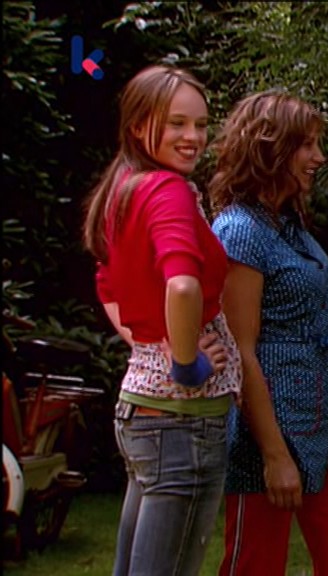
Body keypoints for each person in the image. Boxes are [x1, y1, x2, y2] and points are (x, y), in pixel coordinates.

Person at [82, 64, 242, 576]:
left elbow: (107, 287)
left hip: (143, 413)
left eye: (200, 124)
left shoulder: (123, 188)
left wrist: (151, 343)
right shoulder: (167, 190)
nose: (193, 136)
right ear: (138, 125)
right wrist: (186, 362)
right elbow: (182, 285)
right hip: (182, 422)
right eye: (176, 123)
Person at [208, 90, 328, 576]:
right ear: (269, 148)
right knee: (255, 565)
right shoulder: (240, 231)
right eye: (307, 145)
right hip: (267, 429)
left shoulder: (291, 226)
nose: (318, 157)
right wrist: (274, 455)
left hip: (324, 421)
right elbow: (241, 351)